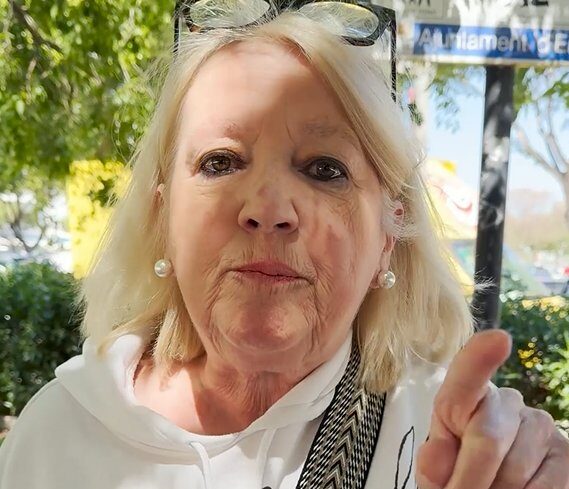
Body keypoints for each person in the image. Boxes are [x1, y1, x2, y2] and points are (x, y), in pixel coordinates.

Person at [1, 2, 568, 488]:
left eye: (325, 169)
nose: (268, 210)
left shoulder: (441, 435)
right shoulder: (56, 436)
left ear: (387, 238)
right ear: (162, 215)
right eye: (221, 162)